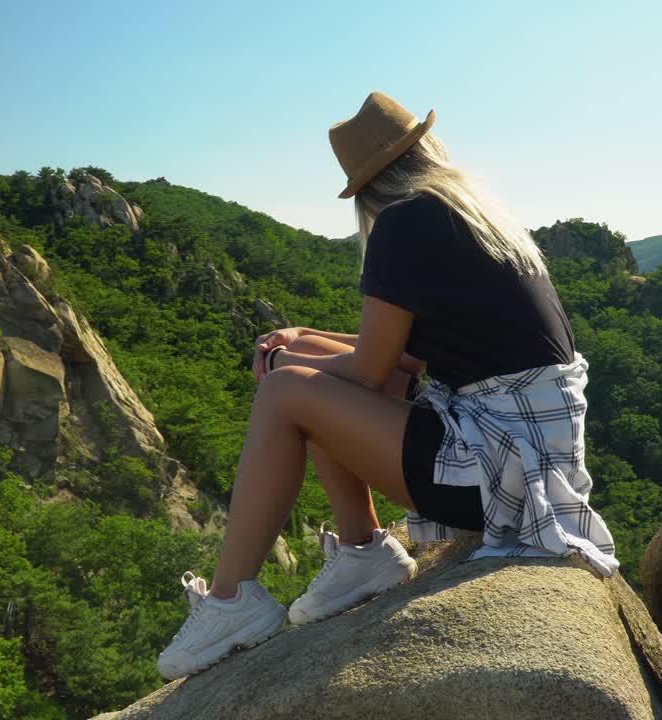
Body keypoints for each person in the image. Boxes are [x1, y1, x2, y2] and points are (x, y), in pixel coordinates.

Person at [155, 91, 618, 681]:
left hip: (497, 470)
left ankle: (230, 600)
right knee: (300, 364)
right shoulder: (465, 213)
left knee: (284, 391)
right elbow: (400, 358)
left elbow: (373, 372)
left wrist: (282, 375)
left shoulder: (404, 223)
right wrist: (300, 338)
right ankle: (363, 550)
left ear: (367, 186)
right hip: (527, 453)